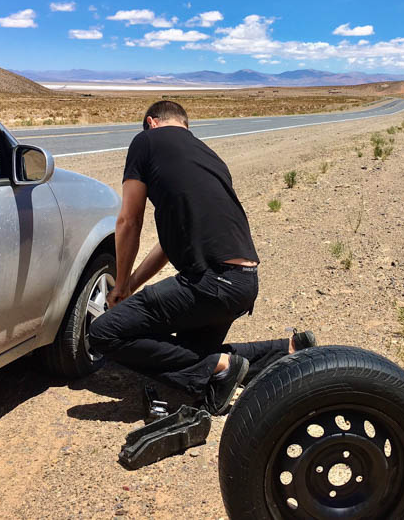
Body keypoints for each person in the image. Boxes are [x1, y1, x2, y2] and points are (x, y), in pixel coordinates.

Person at [89, 100, 315, 415]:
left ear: (152, 123)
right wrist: (132, 286)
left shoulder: (146, 141)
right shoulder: (208, 157)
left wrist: (121, 284)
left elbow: (129, 221)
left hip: (212, 283)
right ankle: (286, 351)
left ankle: (220, 367)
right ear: (185, 126)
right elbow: (167, 249)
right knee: (186, 352)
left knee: (104, 332)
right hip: (243, 284)